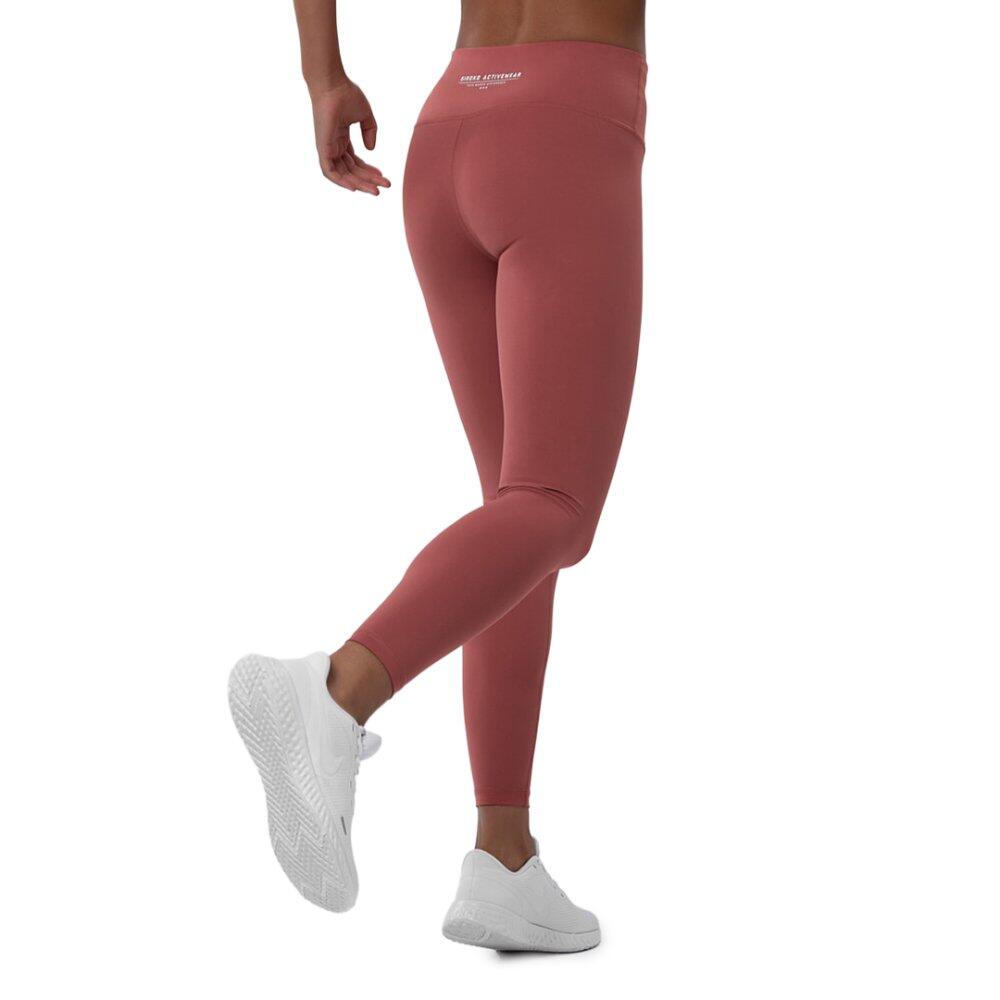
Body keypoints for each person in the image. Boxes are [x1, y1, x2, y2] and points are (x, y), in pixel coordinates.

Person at [228, 0, 647, 953]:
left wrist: (323, 78)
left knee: (517, 511)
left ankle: (504, 859)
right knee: (555, 506)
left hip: (451, 129)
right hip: (565, 131)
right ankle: (336, 690)